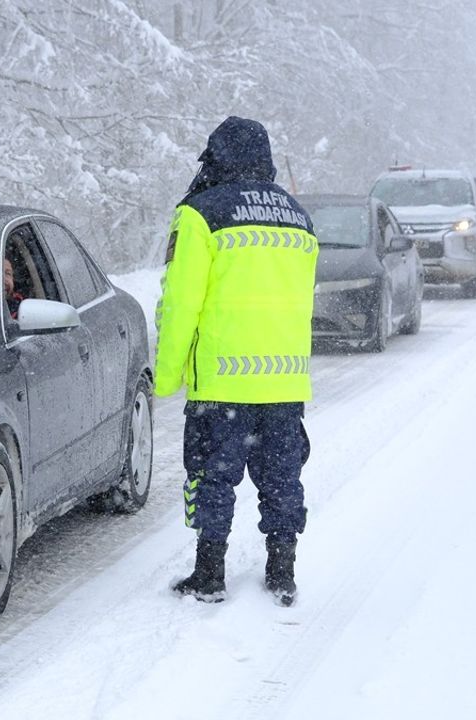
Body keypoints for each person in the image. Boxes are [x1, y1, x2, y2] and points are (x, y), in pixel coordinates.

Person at [154, 116, 319, 606]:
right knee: (282, 478)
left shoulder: (200, 214)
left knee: (212, 477)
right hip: (284, 383)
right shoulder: (298, 217)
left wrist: (166, 376)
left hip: (223, 382)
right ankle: (282, 571)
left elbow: (180, 303)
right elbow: (301, 299)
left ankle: (209, 574)